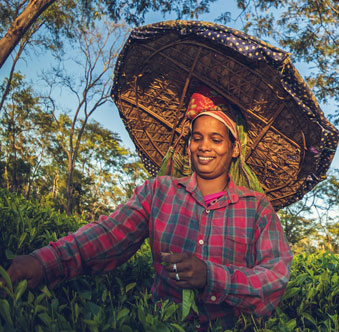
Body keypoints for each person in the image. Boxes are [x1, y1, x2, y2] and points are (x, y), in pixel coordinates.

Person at [4, 86, 293, 328]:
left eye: (216, 139)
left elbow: (274, 277)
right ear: (188, 144)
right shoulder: (159, 192)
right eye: (197, 137)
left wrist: (211, 276)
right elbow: (109, 235)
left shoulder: (257, 208)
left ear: (234, 148)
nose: (204, 147)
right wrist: (45, 261)